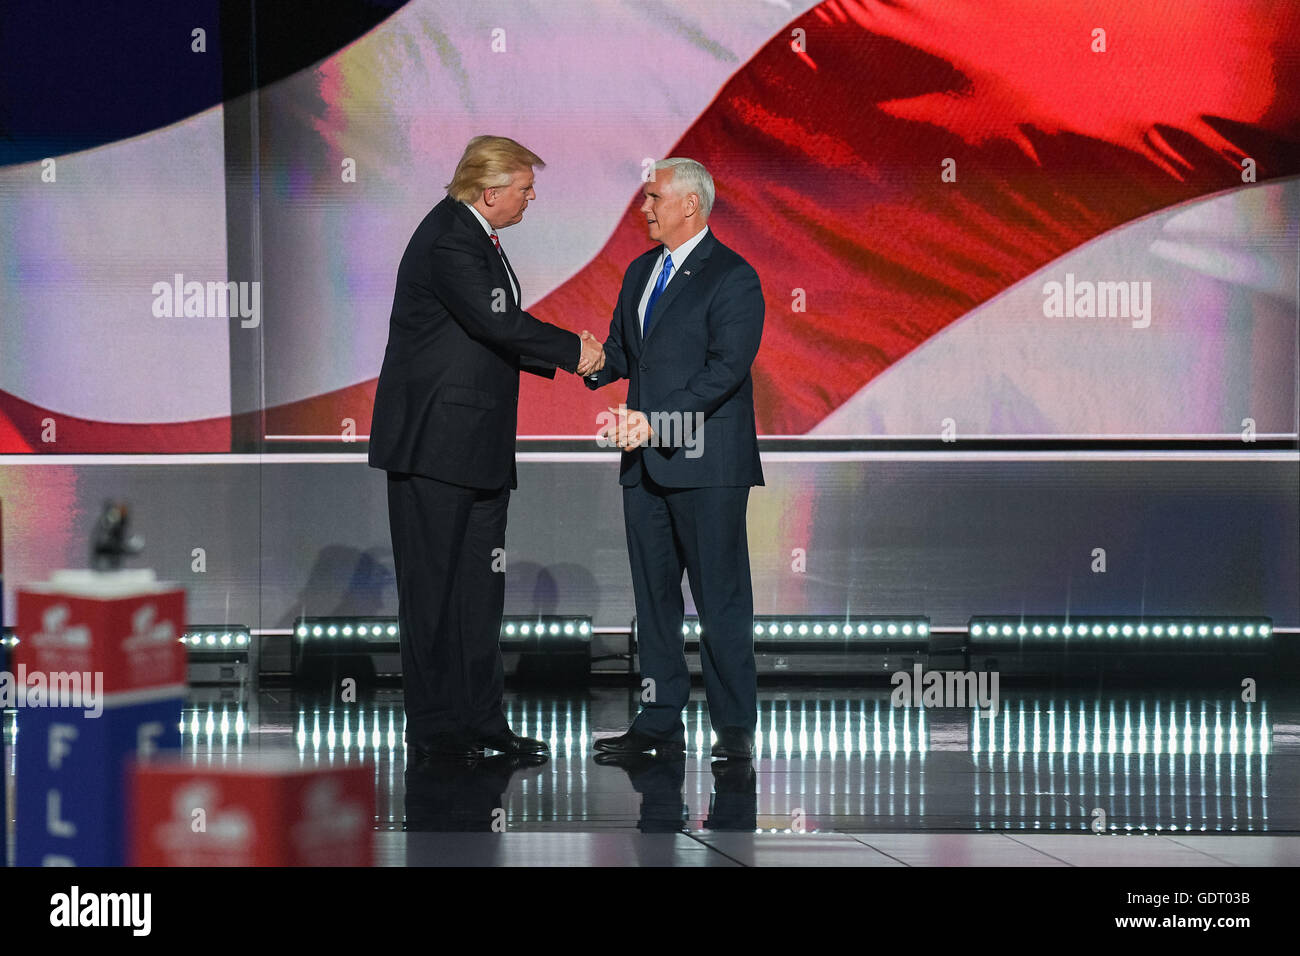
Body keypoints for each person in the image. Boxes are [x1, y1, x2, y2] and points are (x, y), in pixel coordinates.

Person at [369, 135, 605, 760]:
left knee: (480, 594)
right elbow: (495, 321)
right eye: (525, 188)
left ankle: (481, 724)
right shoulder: (450, 236)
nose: (532, 198)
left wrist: (568, 360)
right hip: (434, 448)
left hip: (477, 448)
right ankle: (436, 730)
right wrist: (573, 351)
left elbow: (488, 333)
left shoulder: (477, 238)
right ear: (489, 190)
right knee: (434, 595)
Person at [585, 157, 764, 759]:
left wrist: (654, 422)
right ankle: (660, 717)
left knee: (720, 598)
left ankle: (734, 727)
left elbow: (723, 372)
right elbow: (621, 354)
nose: (644, 207)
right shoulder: (639, 272)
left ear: (690, 204)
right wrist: (579, 357)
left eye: (652, 197)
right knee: (653, 599)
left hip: (708, 465)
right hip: (646, 467)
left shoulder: (733, 277)